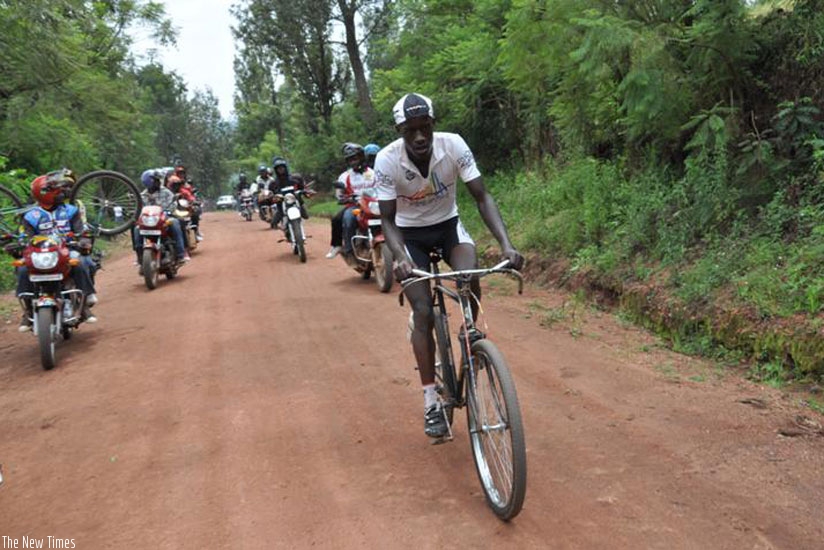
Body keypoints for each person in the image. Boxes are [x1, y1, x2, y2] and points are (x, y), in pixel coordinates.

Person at [375, 93, 524, 438]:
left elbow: (482, 196)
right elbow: (387, 219)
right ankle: (430, 400)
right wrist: (399, 258)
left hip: (448, 227)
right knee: (424, 311)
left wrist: (507, 244)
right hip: (409, 236)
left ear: (433, 125)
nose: (419, 137)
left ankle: (472, 338)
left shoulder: (454, 146)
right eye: (410, 131)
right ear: (400, 130)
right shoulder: (386, 161)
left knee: (469, 277)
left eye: (425, 128)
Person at [13, 169, 98, 331]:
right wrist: (17, 246)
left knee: (79, 263)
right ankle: (28, 310)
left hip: (67, 250)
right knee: (23, 269)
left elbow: (81, 231)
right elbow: (25, 238)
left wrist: (84, 241)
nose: (61, 192)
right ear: (44, 193)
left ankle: (84, 304)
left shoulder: (71, 210)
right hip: (41, 255)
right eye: (56, 190)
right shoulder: (31, 216)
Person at [325, 143, 375, 259]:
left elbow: (380, 187)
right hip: (354, 206)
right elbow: (339, 193)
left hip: (371, 204)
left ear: (362, 157)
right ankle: (348, 250)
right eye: (350, 160)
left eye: (355, 158)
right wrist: (342, 197)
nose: (353, 162)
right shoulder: (345, 176)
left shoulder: (372, 173)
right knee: (347, 219)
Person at [134, 169, 189, 268]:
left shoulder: (166, 192)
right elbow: (139, 208)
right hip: (149, 221)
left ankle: (181, 254)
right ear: (149, 182)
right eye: (156, 180)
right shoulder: (142, 196)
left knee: (175, 223)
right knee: (136, 229)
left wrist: (169, 210)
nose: (159, 182)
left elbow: (173, 203)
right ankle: (139, 256)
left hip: (165, 218)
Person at [269, 156, 308, 230]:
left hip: (296, 200)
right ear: (275, 170)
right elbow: (271, 194)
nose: (280, 169)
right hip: (282, 203)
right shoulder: (273, 183)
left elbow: (303, 188)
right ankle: (279, 225)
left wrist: (305, 192)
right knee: (274, 223)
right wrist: (272, 197)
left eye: (282, 167)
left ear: (285, 167)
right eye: (278, 168)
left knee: (306, 215)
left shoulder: (295, 178)